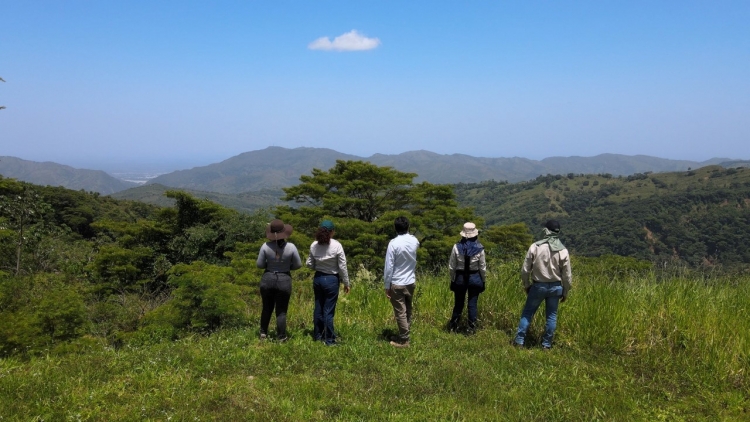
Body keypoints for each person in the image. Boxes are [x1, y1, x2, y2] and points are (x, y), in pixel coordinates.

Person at [513, 219, 572, 350]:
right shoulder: (563, 250)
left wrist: (526, 285)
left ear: (546, 231)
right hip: (556, 287)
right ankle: (546, 344)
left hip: (538, 286)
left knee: (528, 313)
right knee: (551, 316)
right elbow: (567, 276)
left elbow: (525, 270)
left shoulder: (535, 246)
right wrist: (565, 292)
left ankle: (519, 341)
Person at [256, 219, 302, 342]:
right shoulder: (291, 247)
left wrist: (270, 265)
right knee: (281, 311)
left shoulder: (265, 246)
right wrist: (286, 267)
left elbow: (260, 265)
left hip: (268, 278)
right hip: (284, 279)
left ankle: (263, 333)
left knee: (266, 308)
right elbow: (298, 265)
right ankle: (281, 336)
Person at [306, 219, 351, 346]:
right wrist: (346, 282)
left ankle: (318, 335)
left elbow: (309, 264)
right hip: (331, 279)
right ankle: (329, 339)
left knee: (318, 307)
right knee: (328, 310)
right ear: (331, 232)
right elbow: (342, 266)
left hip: (318, 278)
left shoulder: (314, 245)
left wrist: (318, 266)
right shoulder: (336, 245)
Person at [384, 216, 420, 348]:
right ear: (408, 227)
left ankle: (404, 340)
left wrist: (387, 285)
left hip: (397, 282)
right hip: (410, 281)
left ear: (395, 228)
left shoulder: (393, 243)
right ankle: (404, 333)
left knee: (400, 311)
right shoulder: (414, 241)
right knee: (408, 309)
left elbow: (389, 267)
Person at [448, 222, 487, 333]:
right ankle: (472, 328)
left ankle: (453, 326)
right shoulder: (480, 248)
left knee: (458, 303)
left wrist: (453, 279)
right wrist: (483, 281)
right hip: (475, 277)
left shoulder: (456, 247)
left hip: (460, 277)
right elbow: (482, 267)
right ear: (475, 234)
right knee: (472, 304)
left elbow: (452, 266)